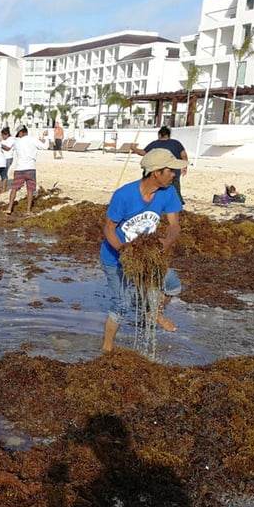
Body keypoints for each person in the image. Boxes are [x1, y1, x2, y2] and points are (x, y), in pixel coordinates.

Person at [100, 148, 187, 353]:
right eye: (170, 170)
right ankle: (106, 350)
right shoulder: (124, 195)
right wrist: (125, 251)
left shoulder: (168, 192)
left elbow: (174, 225)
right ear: (156, 172)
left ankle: (154, 313)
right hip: (115, 258)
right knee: (121, 306)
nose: (174, 174)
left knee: (173, 286)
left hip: (147, 256)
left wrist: (168, 241)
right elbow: (108, 228)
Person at [130, 126, 188, 203]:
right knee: (174, 193)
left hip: (156, 174)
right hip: (173, 172)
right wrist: (184, 167)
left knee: (156, 194)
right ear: (169, 135)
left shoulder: (155, 144)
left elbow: (143, 153)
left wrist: (134, 148)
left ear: (160, 135)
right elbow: (184, 156)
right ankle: (176, 206)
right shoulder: (176, 143)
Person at [2, 125, 49, 215]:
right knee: (30, 190)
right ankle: (28, 210)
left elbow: (8, 149)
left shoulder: (17, 142)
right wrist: (47, 137)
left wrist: (0, 144)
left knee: (14, 189)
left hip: (19, 168)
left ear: (21, 132)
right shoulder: (33, 139)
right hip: (30, 168)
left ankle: (9, 208)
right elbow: (45, 147)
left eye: (18, 134)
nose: (18, 135)